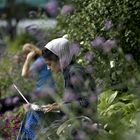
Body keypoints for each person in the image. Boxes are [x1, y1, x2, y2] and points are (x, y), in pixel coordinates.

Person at [41, 35, 98, 139]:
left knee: (45, 133)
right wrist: (60, 104)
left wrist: (61, 106)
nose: (48, 68)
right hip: (74, 119)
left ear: (60, 58)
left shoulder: (75, 72)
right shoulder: (68, 70)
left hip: (83, 121)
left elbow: (88, 102)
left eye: (49, 64)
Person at [16, 43, 56, 140]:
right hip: (50, 92)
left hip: (43, 93)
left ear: (30, 53)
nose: (25, 56)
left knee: (33, 119)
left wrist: (28, 59)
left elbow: (24, 74)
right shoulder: (43, 60)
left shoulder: (39, 62)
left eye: (26, 54)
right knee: (40, 117)